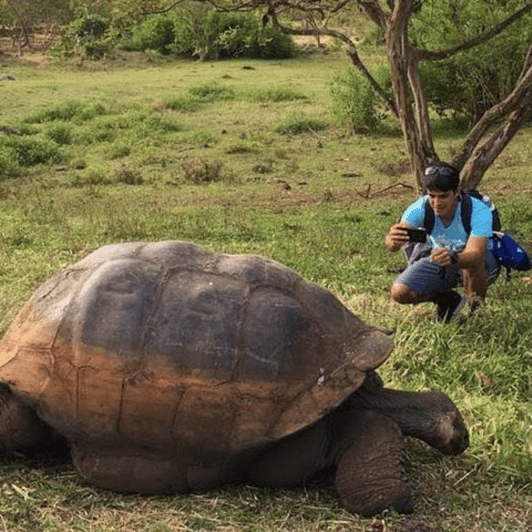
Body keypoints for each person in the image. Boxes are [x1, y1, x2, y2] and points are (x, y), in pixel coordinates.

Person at [384, 163, 500, 321]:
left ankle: (474, 312)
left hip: (480, 263)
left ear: (456, 192)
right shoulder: (419, 208)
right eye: (432, 196)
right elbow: (392, 245)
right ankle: (446, 299)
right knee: (400, 292)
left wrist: (453, 257)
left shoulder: (478, 211)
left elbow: (476, 256)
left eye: (443, 196)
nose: (437, 203)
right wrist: (393, 240)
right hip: (442, 259)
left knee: (472, 265)